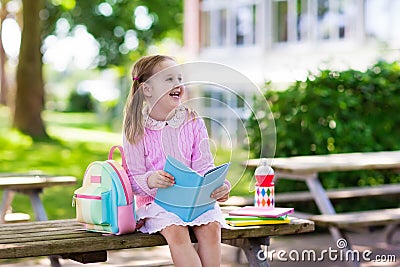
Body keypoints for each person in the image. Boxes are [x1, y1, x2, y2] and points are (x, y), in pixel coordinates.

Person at [122, 55, 231, 267]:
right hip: (157, 204)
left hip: (195, 202)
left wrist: (219, 185)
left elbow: (204, 167)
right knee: (177, 233)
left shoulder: (192, 121)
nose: (178, 84)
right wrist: (151, 180)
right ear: (147, 89)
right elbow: (131, 180)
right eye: (169, 79)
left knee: (211, 228)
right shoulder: (135, 128)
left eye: (179, 78)